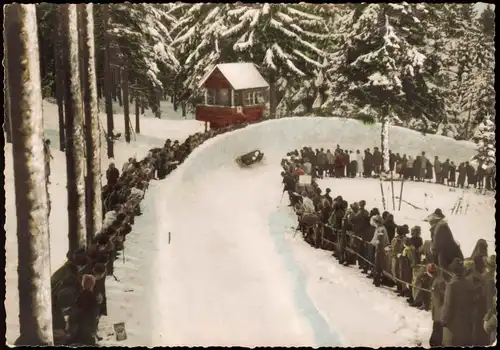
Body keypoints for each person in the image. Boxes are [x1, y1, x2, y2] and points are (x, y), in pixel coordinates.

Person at [441, 258, 475, 346]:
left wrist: (444, 320)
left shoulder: (451, 285)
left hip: (454, 323)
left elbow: (448, 305)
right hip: (467, 321)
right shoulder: (469, 283)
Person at [429, 263, 446, 347]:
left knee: (437, 326)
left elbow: (439, 297)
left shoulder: (438, 282)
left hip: (439, 309)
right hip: (438, 308)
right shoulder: (438, 280)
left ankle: (436, 342)